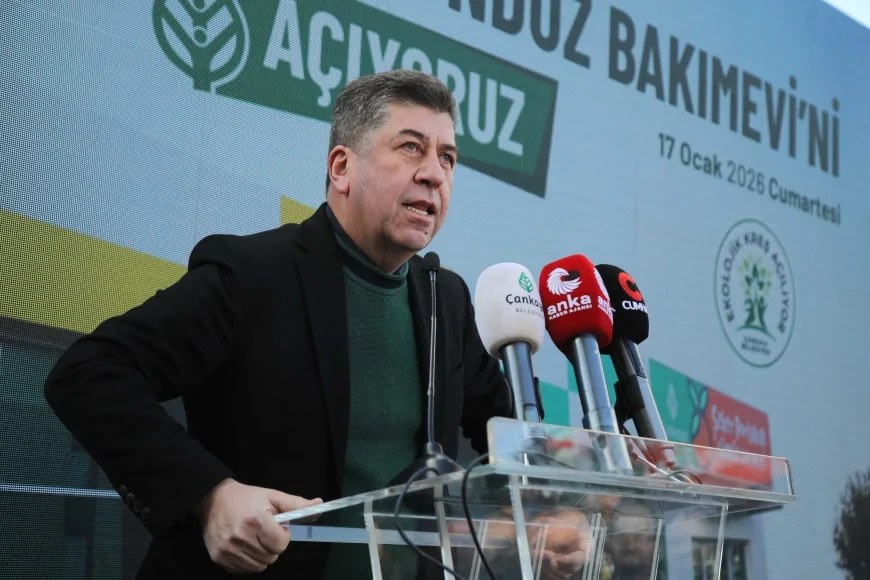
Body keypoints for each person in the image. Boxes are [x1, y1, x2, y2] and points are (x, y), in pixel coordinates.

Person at [43, 69, 514, 579]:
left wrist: (551, 514)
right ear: (342, 168)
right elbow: (90, 372)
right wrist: (211, 495)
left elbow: (506, 432)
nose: (435, 174)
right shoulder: (252, 274)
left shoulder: (445, 298)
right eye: (411, 148)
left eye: (447, 158)